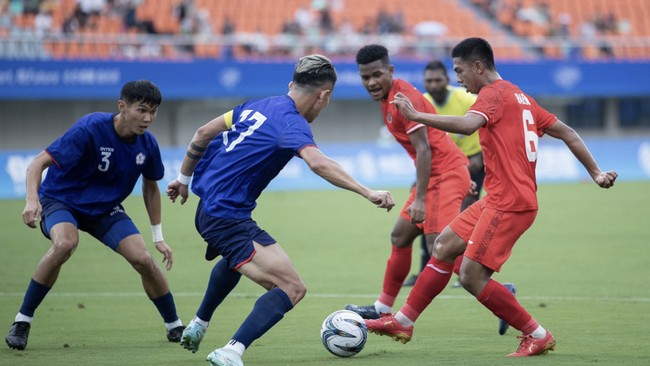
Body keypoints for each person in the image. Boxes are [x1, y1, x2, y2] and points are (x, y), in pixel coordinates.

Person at [366, 37, 618, 357]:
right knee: (442, 245)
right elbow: (567, 131)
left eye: (459, 71)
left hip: (509, 203)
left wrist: (416, 116)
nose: (457, 78)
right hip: (498, 197)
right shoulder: (521, 96)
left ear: (478, 67)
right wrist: (595, 172)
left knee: (471, 276)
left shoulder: (492, 95)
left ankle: (536, 334)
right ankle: (403, 320)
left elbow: (468, 125)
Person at [165, 54, 394, 366]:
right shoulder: (291, 124)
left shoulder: (255, 105)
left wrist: (182, 179)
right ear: (323, 96)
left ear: (291, 85)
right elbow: (318, 162)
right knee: (291, 287)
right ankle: (231, 351)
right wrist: (367, 191)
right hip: (225, 216)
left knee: (236, 260)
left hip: (208, 208)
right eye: (327, 100)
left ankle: (199, 323)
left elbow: (202, 133)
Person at [5, 80, 184, 351]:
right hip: (61, 200)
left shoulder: (147, 145)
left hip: (103, 209)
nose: (148, 118)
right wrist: (32, 200)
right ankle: (22, 321)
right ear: (122, 107)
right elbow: (37, 164)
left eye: (154, 111)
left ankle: (175, 326)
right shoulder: (90, 129)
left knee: (143, 258)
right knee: (65, 243)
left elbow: (150, 187)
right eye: (142, 110)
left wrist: (158, 236)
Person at [345, 44, 470, 321]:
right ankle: (383, 308)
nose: (371, 82)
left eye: (377, 74)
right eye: (365, 77)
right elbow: (433, 144)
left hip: (443, 175)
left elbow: (424, 149)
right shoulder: (387, 98)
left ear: (390, 70)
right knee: (400, 235)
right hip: (441, 173)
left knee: (441, 248)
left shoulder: (404, 98)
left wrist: (423, 198)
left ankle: (498, 290)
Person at [402, 60, 517, 335]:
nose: (433, 85)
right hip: (443, 169)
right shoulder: (424, 101)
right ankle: (415, 282)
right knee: (425, 233)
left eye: (438, 80)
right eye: (428, 81)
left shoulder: (464, 96)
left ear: (446, 80)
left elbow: (475, 126)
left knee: (444, 235)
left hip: (472, 167)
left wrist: (474, 160)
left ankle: (402, 306)